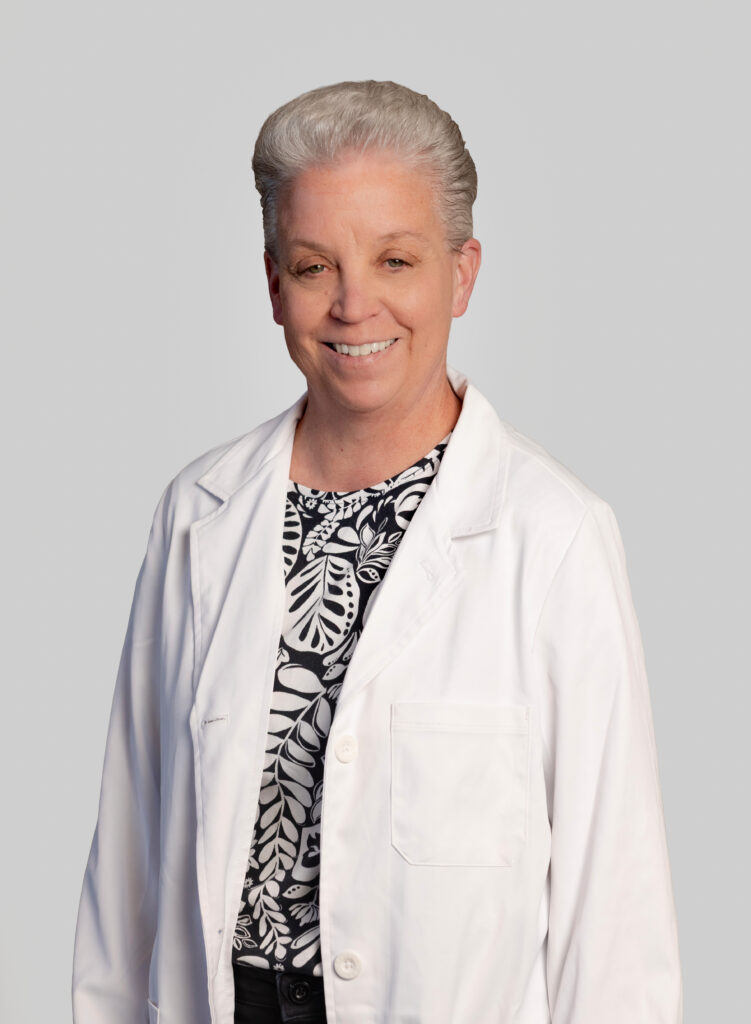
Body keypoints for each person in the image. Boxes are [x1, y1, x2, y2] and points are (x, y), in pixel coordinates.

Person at [72, 80, 683, 1024]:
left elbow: (616, 927)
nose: (355, 305)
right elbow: (127, 880)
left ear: (461, 273)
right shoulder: (199, 514)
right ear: (273, 284)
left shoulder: (552, 536)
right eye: (315, 265)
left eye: (395, 259)